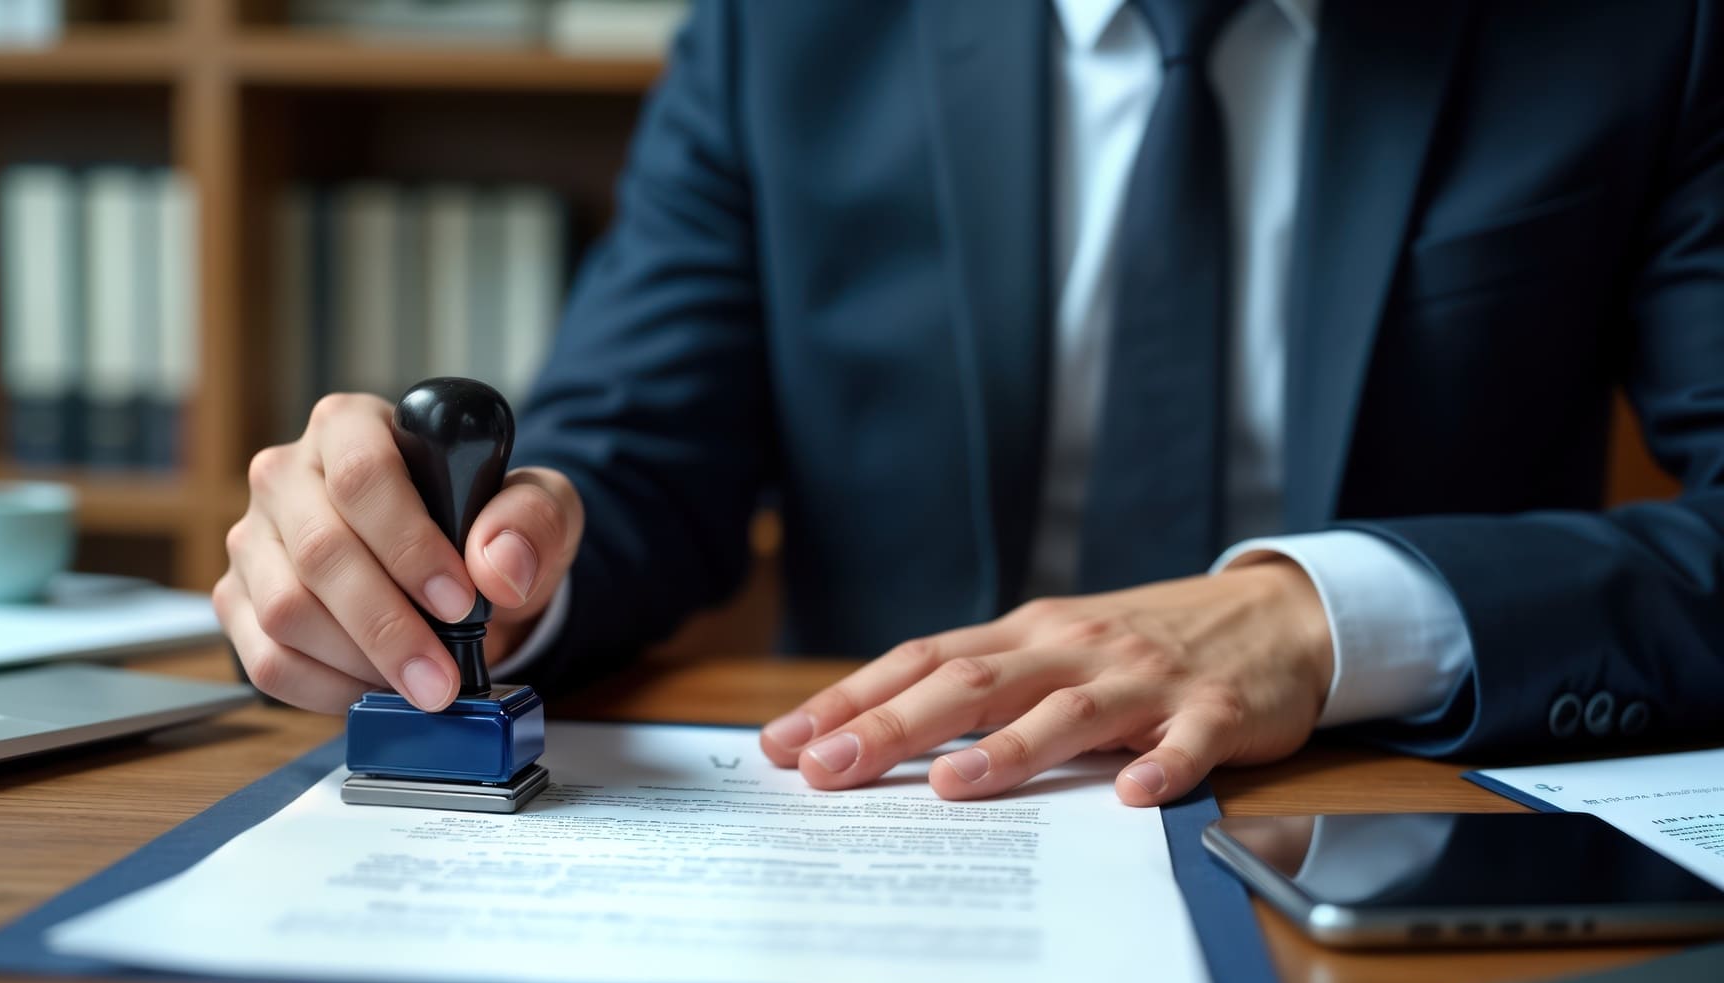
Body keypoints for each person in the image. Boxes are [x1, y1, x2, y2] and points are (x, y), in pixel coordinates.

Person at [215, 0, 1724, 808]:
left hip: (1381, 812)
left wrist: (1321, 620)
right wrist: (462, 584)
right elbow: (637, 451)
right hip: (899, 816)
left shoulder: (1645, 29)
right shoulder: (781, 29)